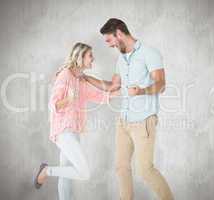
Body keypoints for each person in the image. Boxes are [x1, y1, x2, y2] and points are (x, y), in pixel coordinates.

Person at [85, 18, 174, 200]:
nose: (109, 45)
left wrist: (141, 91)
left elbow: (161, 84)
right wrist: (85, 78)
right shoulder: (121, 59)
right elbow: (113, 86)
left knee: (146, 170)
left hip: (144, 121)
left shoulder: (150, 53)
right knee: (121, 167)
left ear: (119, 33)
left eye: (109, 40)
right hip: (123, 121)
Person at [33, 42, 119, 200]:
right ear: (80, 56)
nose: (93, 58)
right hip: (63, 131)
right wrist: (69, 99)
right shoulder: (65, 75)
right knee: (84, 172)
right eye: (90, 55)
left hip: (74, 131)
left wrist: (122, 93)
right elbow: (52, 105)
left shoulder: (80, 80)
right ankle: (46, 171)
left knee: (66, 175)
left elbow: (98, 96)